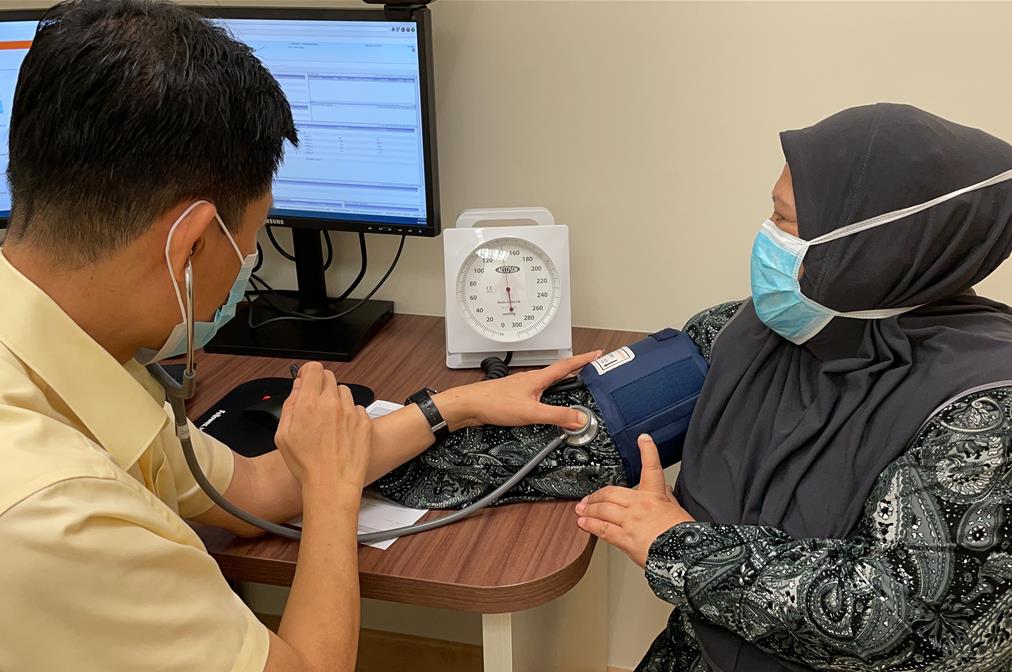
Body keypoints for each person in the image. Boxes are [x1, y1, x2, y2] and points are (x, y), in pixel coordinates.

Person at [0, 2, 597, 670]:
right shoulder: (57, 516)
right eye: (252, 238)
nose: (249, 260)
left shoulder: (75, 357)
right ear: (190, 245)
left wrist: (453, 407)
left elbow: (258, 489)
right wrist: (336, 498)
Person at [382, 104, 1012, 671]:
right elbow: (584, 431)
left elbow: (906, 623)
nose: (767, 235)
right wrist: (388, 440)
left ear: (877, 249)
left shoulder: (985, 408)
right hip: (704, 649)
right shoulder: (750, 331)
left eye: (785, 220)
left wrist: (679, 547)